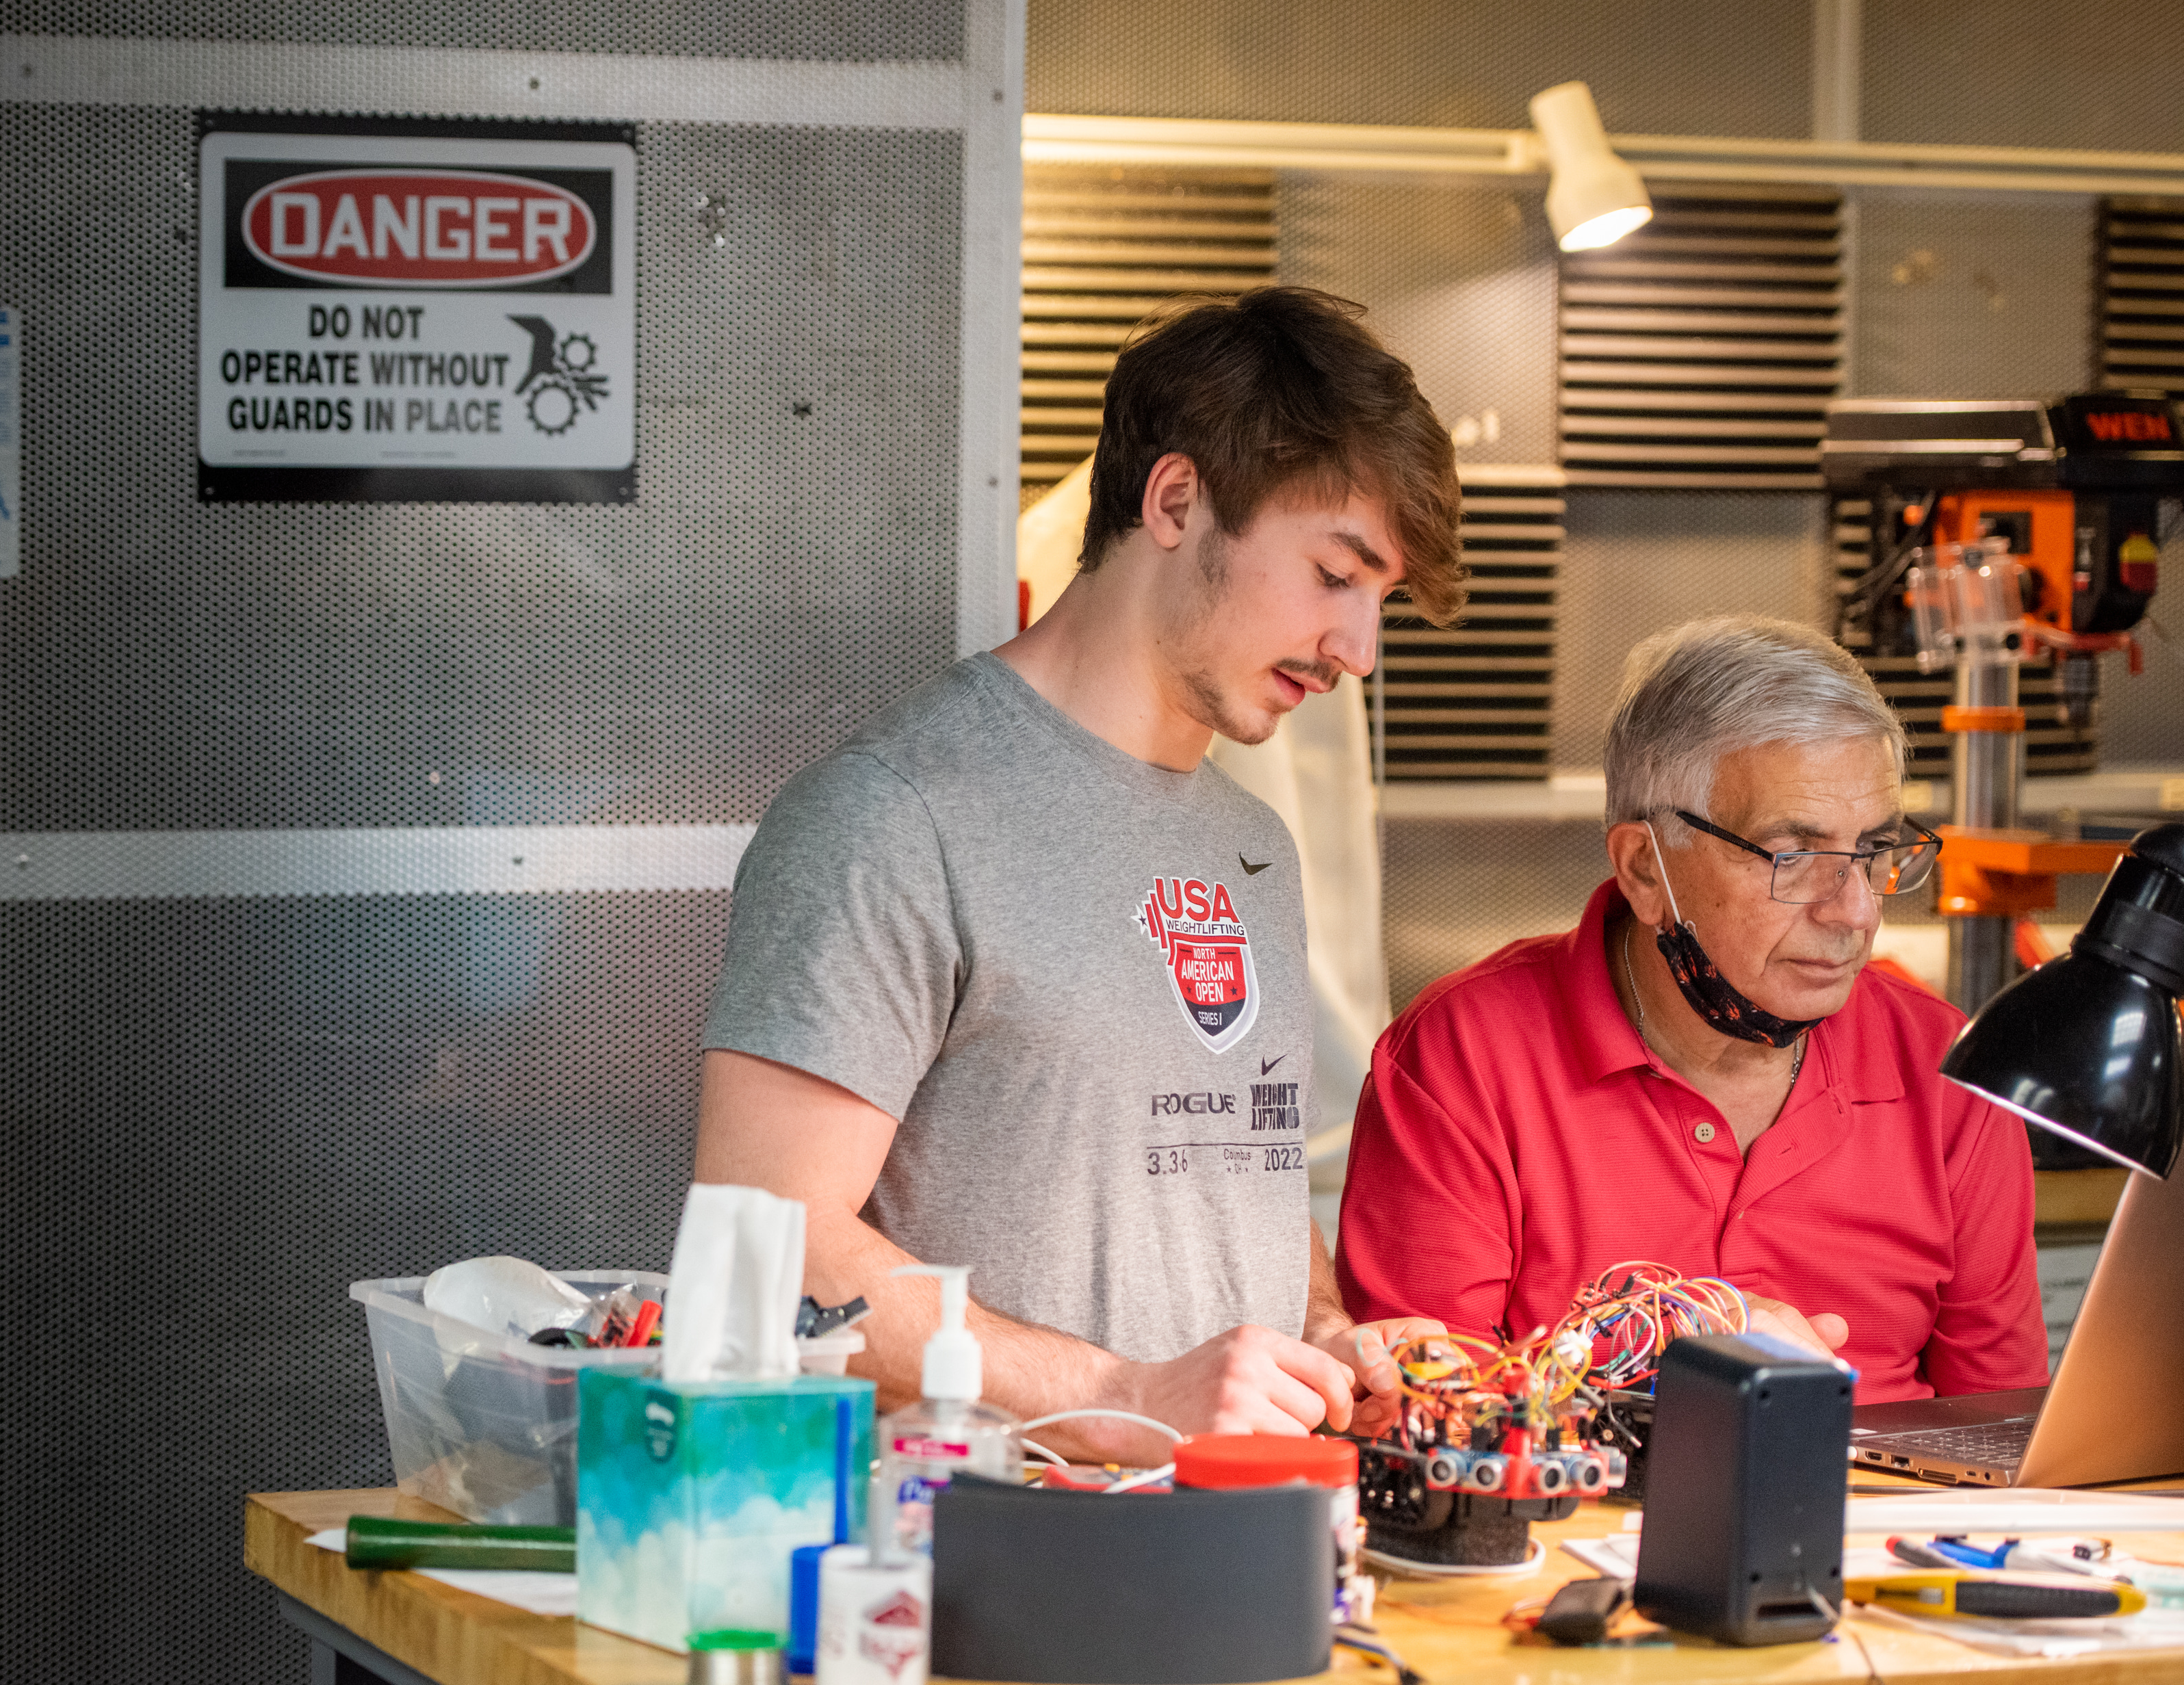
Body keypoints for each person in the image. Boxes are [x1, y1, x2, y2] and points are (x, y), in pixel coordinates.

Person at [695, 287, 1467, 1463]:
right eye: (1334, 574)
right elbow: (764, 1244)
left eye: (1381, 602)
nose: (1358, 650)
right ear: (1174, 501)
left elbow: (1230, 1178)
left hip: (1233, 1555)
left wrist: (1322, 1331)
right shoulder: (893, 815)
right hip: (966, 1574)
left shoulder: (1251, 848)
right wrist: (1120, 1392)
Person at [1338, 616, 2047, 1402]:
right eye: (1795, 856)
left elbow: (2004, 1431)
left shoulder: (1950, 1066)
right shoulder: (1462, 1057)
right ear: (1646, 868)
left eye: (1874, 853)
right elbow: (1422, 1413)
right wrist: (1669, 1334)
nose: (1853, 912)